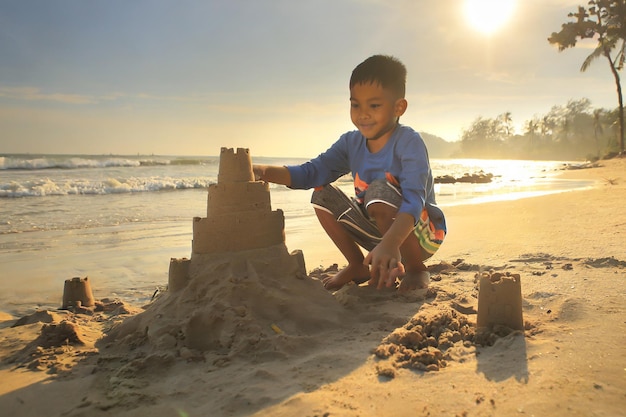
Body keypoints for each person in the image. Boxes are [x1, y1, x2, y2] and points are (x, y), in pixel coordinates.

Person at [253, 55, 446, 292]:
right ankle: (357, 264)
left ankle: (416, 269)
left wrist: (391, 243)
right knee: (322, 195)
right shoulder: (350, 143)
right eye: (356, 105)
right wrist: (262, 171)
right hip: (378, 231)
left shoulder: (409, 142)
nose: (363, 114)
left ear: (399, 107)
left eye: (374, 106)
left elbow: (414, 200)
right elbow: (311, 172)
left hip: (418, 233)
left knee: (378, 189)